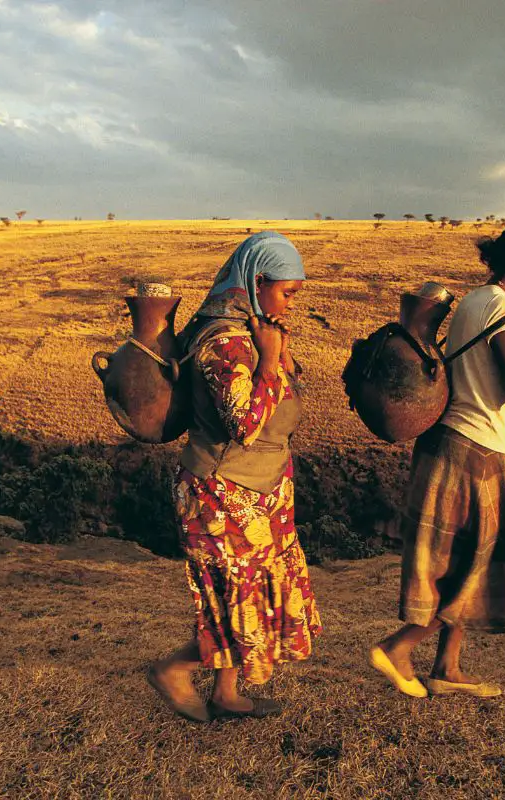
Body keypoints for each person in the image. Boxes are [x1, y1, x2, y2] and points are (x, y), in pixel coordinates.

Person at [369, 211, 505, 699]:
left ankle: (448, 667)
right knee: (475, 565)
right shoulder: (504, 312)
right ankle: (399, 649)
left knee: (468, 557)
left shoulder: (474, 301)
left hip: (452, 442)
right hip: (475, 449)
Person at [147, 231, 322, 722]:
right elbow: (243, 425)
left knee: (249, 592)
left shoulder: (251, 330)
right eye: (286, 293)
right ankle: (172, 670)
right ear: (258, 281)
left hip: (260, 488)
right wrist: (268, 361)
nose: (288, 307)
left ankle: (226, 693)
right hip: (221, 492)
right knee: (232, 598)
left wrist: (278, 359)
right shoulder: (225, 340)